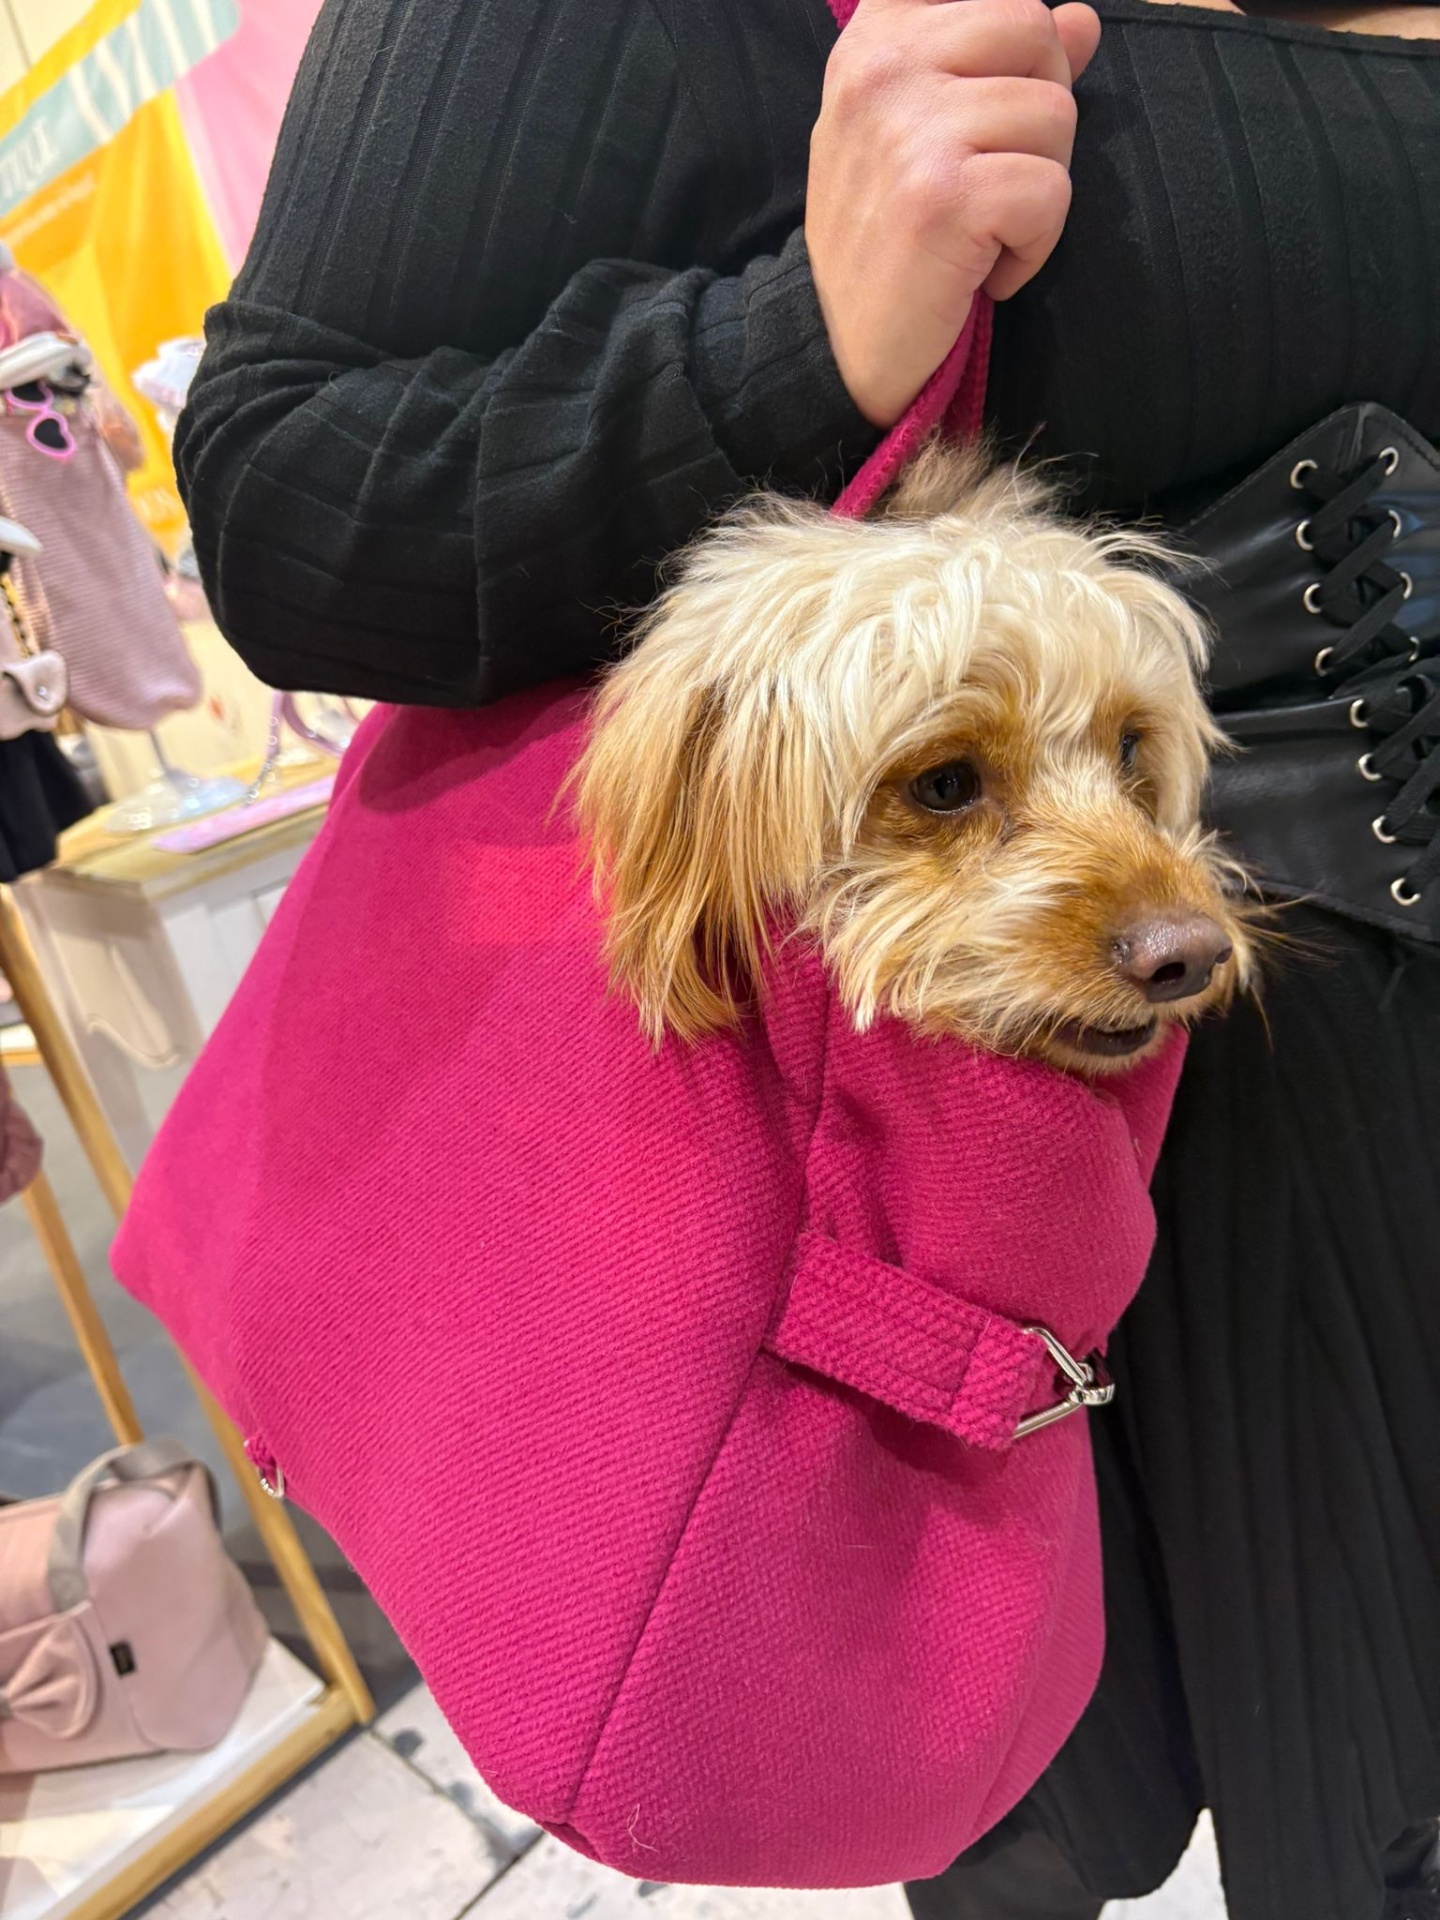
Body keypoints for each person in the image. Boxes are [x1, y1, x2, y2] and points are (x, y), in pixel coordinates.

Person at [175, 0, 1440, 1913]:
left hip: (1375, 1081)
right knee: (983, 1789)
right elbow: (283, 508)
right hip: (900, 1145)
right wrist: (792, 344)